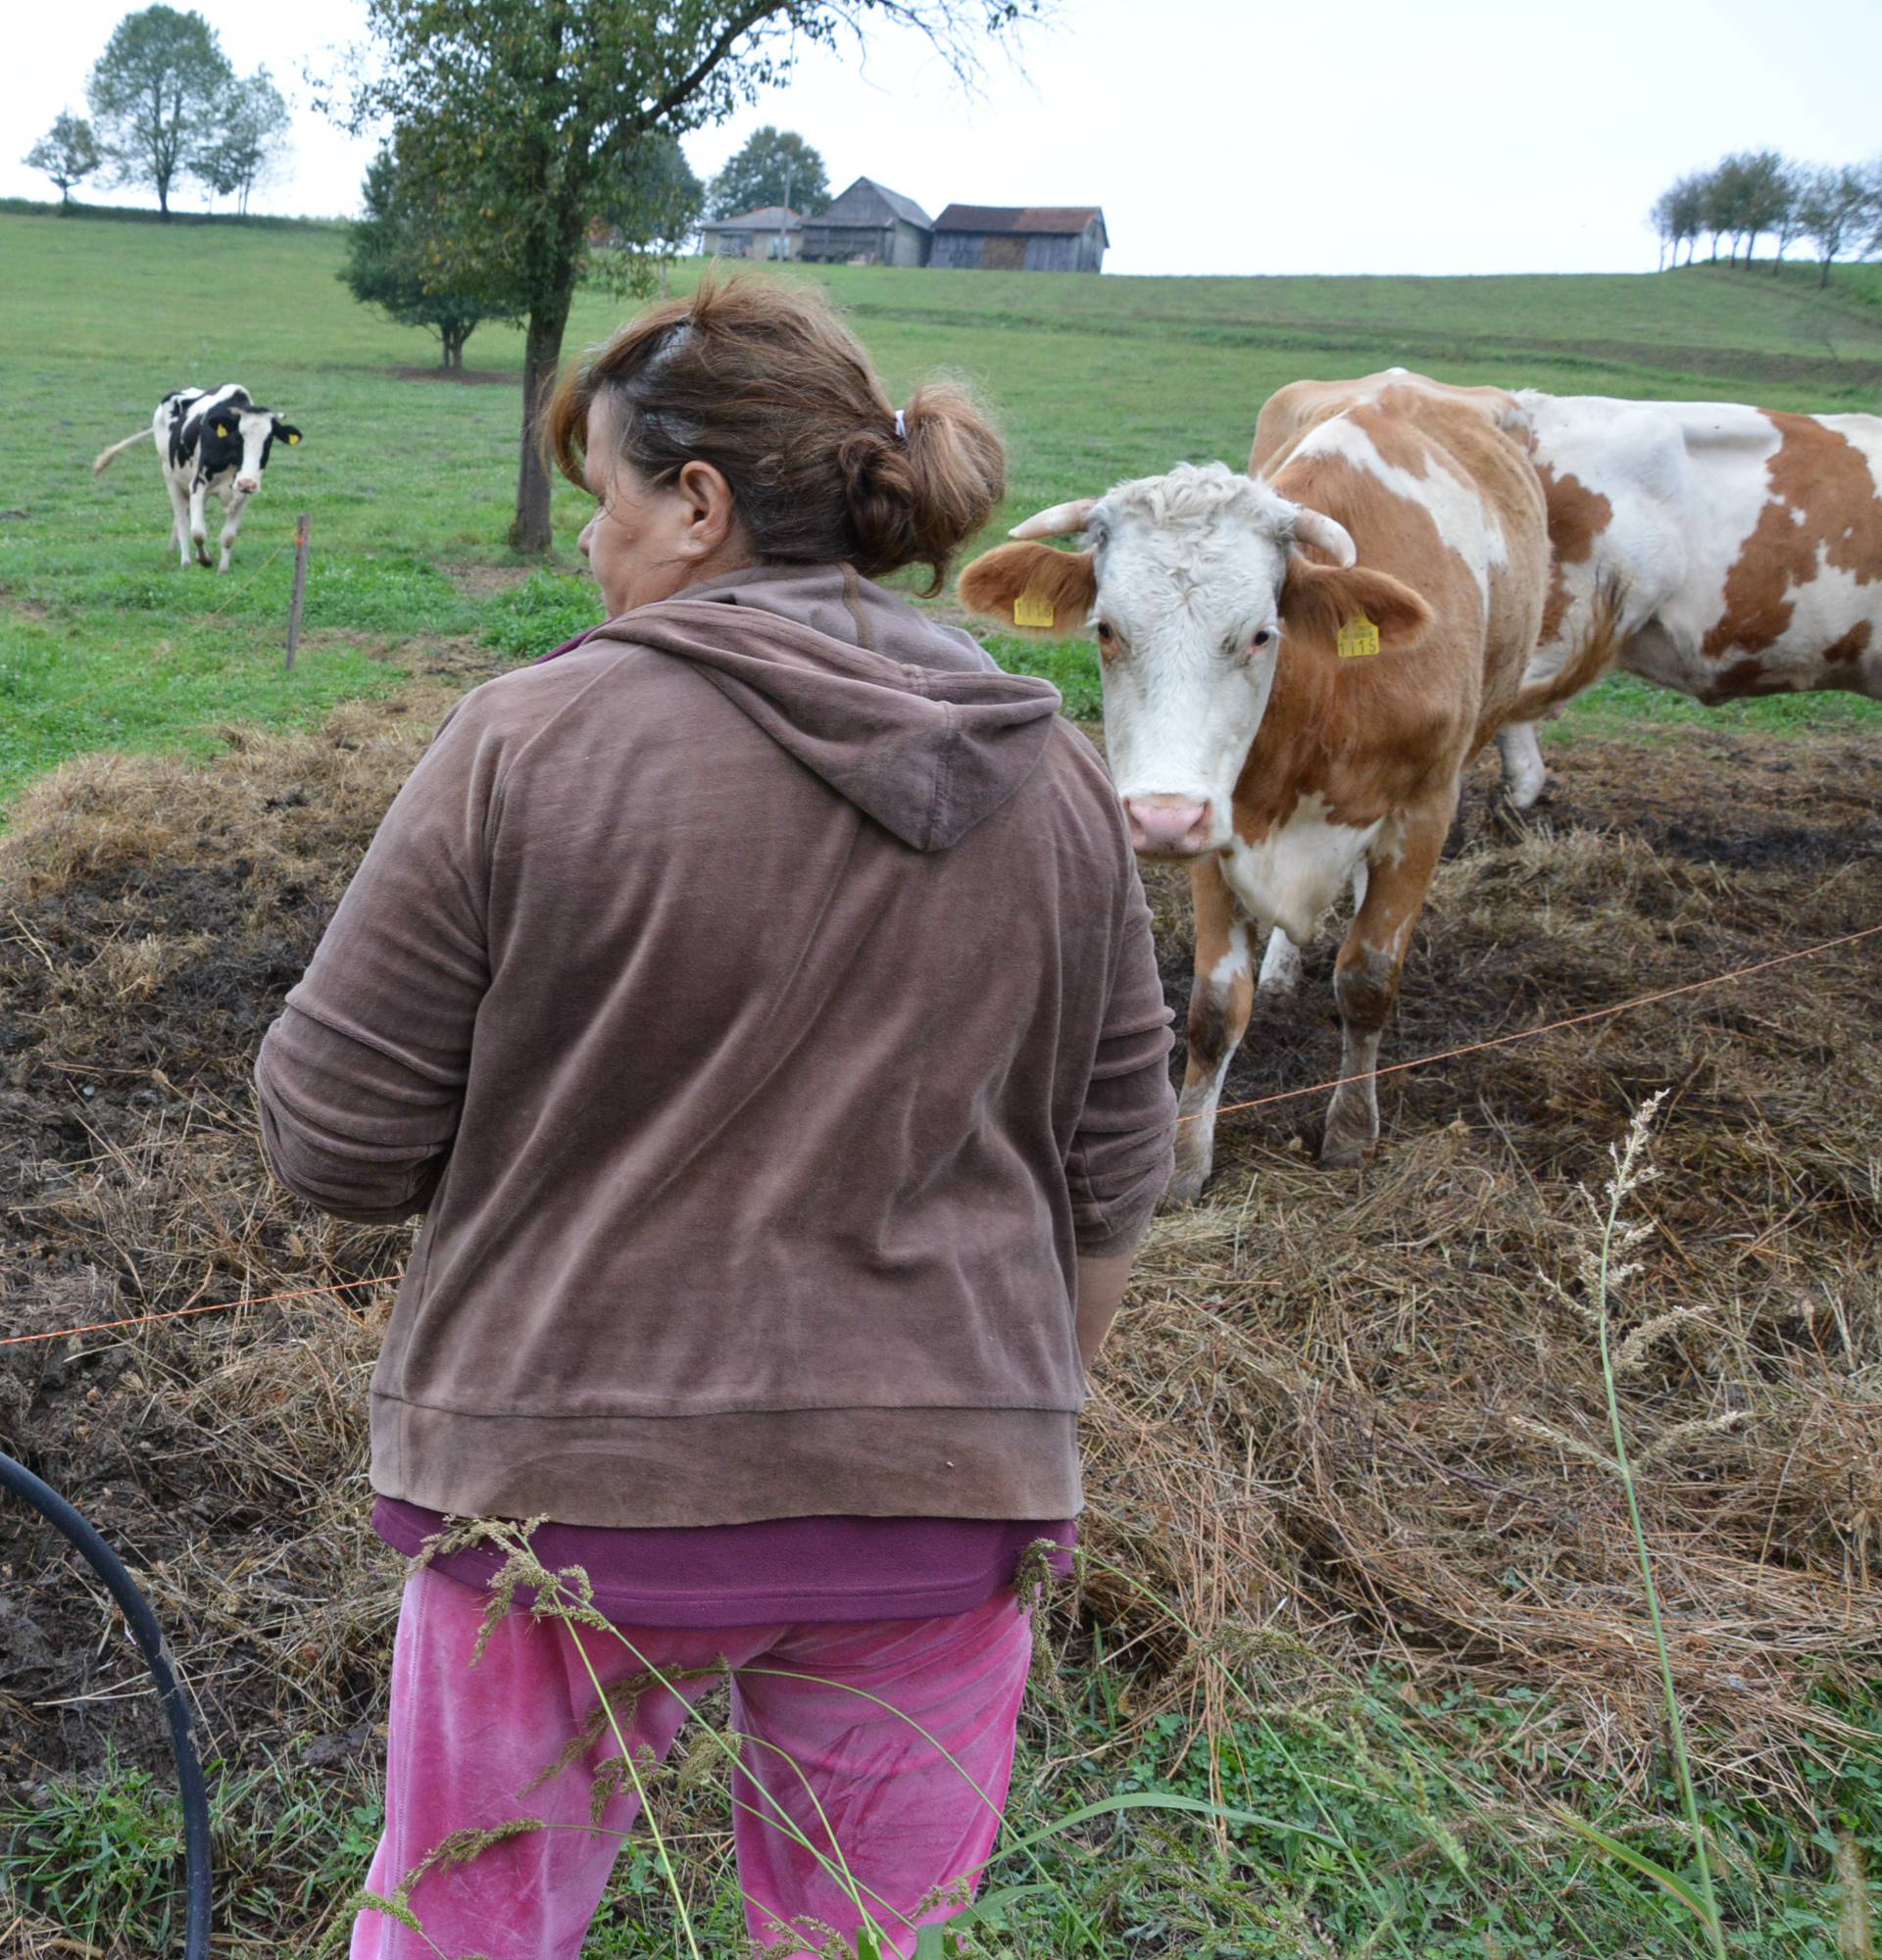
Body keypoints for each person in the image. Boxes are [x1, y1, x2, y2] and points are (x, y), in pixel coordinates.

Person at [255, 276, 1175, 1960]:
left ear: (696, 506)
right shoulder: (1059, 781)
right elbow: (1116, 1176)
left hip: (556, 1499)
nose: (590, 553)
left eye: (606, 502)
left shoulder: (524, 743)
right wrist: (969, 1418)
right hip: (941, 1496)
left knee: (468, 1932)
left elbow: (335, 1146)